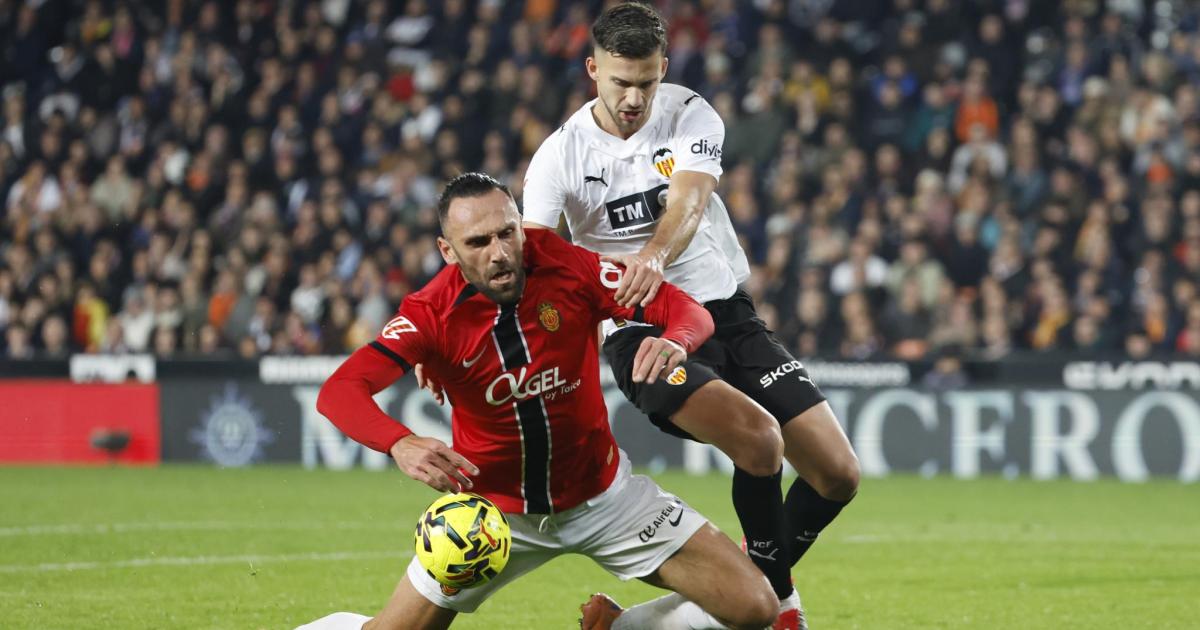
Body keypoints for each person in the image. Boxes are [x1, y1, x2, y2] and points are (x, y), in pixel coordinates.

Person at [299, 173, 777, 630]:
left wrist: (677, 339)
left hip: (607, 498)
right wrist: (399, 443)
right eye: (478, 243)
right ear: (447, 251)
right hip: (493, 518)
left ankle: (618, 627)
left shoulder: (567, 264)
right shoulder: (430, 314)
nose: (501, 253)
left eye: (508, 233)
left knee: (755, 607)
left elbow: (684, 309)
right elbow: (340, 390)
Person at [522, 4, 861, 628]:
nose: (633, 98)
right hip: (643, 336)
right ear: (592, 69)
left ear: (664, 70)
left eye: (646, 82)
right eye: (620, 82)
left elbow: (692, 193)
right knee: (759, 441)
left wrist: (653, 254)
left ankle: (639, 622)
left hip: (726, 314)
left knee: (837, 474)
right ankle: (783, 608)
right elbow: (532, 264)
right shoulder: (558, 158)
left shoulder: (689, 112)